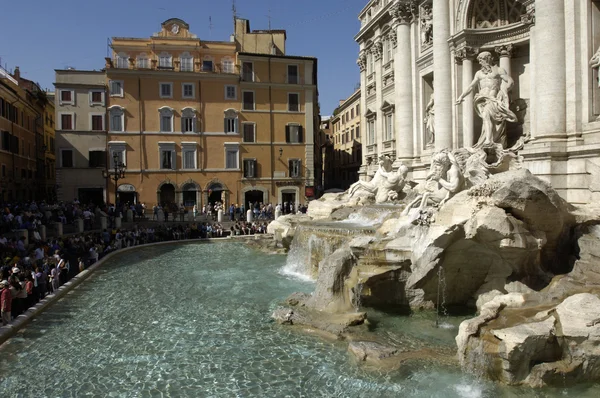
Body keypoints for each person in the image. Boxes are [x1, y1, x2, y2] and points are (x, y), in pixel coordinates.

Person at [456, 51, 517, 149]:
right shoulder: (478, 73)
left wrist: (504, 90)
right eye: (479, 60)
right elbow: (471, 86)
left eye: (481, 60)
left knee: (487, 117)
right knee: (485, 118)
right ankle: (488, 139)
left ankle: (489, 140)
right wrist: (461, 96)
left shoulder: (498, 70)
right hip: (480, 99)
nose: (480, 63)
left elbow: (510, 81)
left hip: (492, 99)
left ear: (488, 59)